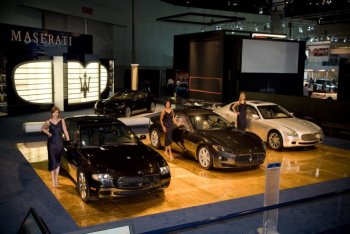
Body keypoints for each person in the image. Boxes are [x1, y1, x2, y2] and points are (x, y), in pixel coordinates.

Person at [41, 106, 70, 188]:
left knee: (58, 162)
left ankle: (56, 178)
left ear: (58, 113)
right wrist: (48, 133)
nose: (55, 114)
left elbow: (65, 131)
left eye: (57, 112)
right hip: (51, 144)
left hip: (59, 143)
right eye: (54, 112)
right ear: (52, 113)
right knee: (52, 162)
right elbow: (43, 129)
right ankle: (53, 180)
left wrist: (68, 140)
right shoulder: (48, 122)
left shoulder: (62, 121)